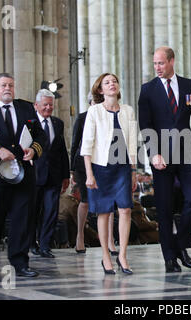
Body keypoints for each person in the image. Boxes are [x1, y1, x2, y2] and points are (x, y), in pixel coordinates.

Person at [138, 46, 191, 273]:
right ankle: (169, 257)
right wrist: (153, 153)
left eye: (161, 63)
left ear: (172, 61)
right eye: (155, 64)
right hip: (161, 156)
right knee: (165, 207)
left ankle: (181, 246)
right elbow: (145, 124)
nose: (157, 68)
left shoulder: (189, 85)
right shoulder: (148, 90)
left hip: (187, 151)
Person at [0, 73, 46, 277]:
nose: (8, 89)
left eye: (11, 85)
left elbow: (40, 135)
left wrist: (34, 150)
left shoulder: (26, 108)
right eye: (3, 85)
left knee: (22, 217)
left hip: (23, 172)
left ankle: (20, 262)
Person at [81, 73, 137, 275]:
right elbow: (87, 146)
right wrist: (89, 174)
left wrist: (133, 170)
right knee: (103, 211)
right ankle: (106, 255)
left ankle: (122, 254)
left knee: (125, 210)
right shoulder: (94, 111)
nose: (112, 84)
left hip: (122, 166)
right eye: (107, 82)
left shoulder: (128, 111)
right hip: (100, 168)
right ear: (100, 90)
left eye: (114, 81)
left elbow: (132, 143)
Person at [71, 93, 118, 255]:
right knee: (85, 200)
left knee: (109, 201)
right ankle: (80, 236)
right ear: (90, 103)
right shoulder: (83, 118)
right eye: (95, 101)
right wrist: (71, 170)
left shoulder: (110, 117)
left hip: (105, 162)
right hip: (84, 164)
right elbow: (75, 143)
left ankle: (110, 241)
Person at [30, 89, 70, 258]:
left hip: (54, 176)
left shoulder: (57, 123)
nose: (48, 108)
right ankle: (32, 243)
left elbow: (62, 150)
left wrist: (66, 175)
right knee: (33, 211)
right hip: (34, 175)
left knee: (51, 211)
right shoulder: (29, 124)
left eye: (50, 105)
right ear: (36, 105)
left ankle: (45, 245)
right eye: (44, 104)